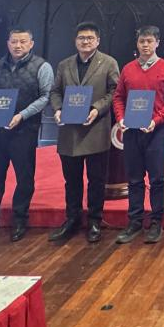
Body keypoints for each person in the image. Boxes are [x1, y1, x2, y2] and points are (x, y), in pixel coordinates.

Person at [0, 29, 53, 244]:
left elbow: (46, 96)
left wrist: (22, 115)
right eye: (14, 41)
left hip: (24, 130)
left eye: (23, 41)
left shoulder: (42, 66)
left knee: (24, 178)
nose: (18, 45)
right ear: (8, 43)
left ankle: (19, 219)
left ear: (31, 44)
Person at [47, 22, 120, 244]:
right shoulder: (64, 64)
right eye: (81, 38)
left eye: (90, 38)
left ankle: (95, 220)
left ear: (98, 41)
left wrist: (97, 109)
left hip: (95, 128)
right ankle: (72, 219)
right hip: (69, 132)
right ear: (75, 41)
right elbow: (55, 91)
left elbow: (115, 91)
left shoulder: (108, 63)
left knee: (96, 179)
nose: (85, 41)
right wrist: (57, 109)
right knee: (72, 180)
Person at [111, 25, 164, 245]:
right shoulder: (128, 69)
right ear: (137, 43)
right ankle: (135, 221)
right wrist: (121, 119)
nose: (145, 45)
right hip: (132, 132)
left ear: (157, 43)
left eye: (149, 41)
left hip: (156, 132)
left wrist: (155, 121)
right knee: (134, 179)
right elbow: (118, 97)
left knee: (157, 179)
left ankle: (156, 222)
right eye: (142, 41)